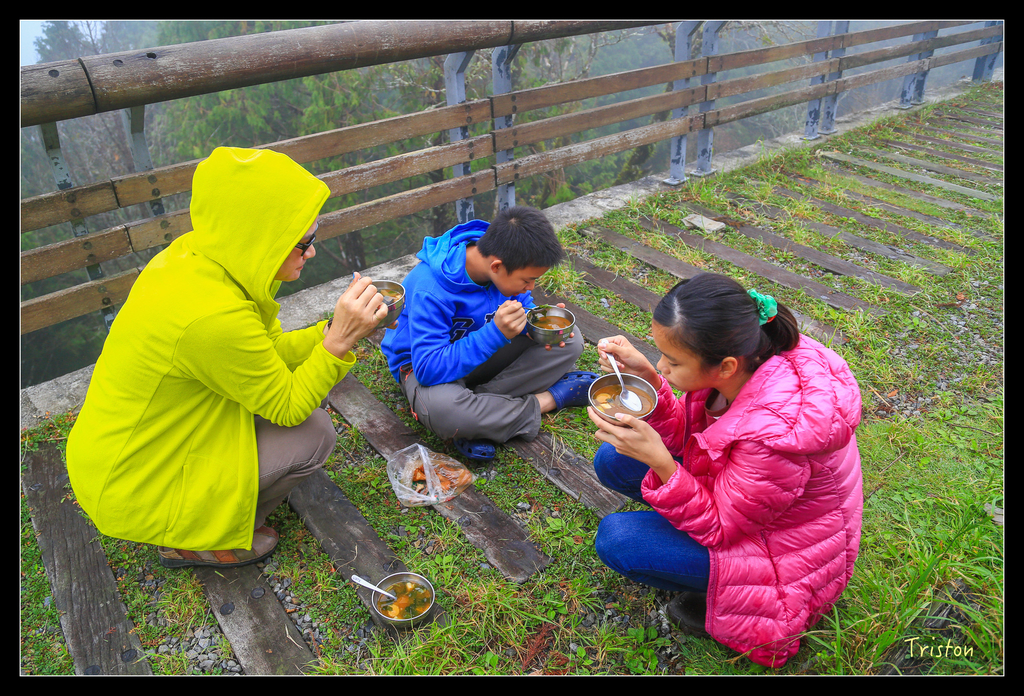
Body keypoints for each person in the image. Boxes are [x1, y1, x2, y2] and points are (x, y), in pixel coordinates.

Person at [66, 146, 389, 569]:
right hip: (138, 481)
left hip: (140, 447)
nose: (311, 252)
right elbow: (288, 406)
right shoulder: (213, 316)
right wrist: (337, 343)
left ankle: (208, 509)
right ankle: (197, 538)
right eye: (303, 243)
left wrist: (331, 332)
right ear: (261, 240)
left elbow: (262, 354)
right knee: (314, 434)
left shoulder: (204, 259)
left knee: (310, 393)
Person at [586, 273, 863, 668]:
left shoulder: (773, 437)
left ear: (726, 366)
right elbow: (694, 437)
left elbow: (720, 527)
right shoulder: (748, 353)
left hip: (781, 556)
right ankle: (694, 561)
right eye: (661, 356)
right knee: (614, 459)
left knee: (619, 539)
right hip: (750, 505)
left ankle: (718, 596)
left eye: (672, 362)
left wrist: (662, 463)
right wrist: (649, 378)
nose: (663, 366)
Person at [380, 206, 597, 460]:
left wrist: (536, 323)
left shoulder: (506, 255)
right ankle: (547, 400)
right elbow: (428, 369)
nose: (530, 287)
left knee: (571, 340)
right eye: (527, 280)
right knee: (448, 412)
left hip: (479, 353)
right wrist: (494, 333)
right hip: (423, 368)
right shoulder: (432, 288)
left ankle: (479, 414)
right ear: (496, 266)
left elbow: (523, 304)